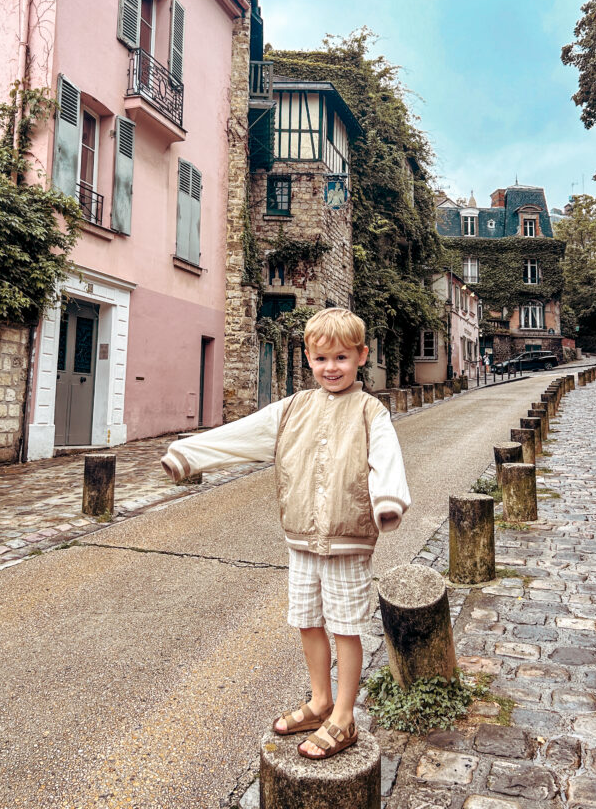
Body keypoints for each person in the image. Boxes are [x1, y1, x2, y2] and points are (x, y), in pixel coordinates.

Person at [161, 307, 410, 760]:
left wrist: (388, 501)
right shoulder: (292, 408)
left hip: (347, 540)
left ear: (361, 357)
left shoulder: (370, 411)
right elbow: (242, 435)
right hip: (300, 538)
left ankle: (344, 716)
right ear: (308, 359)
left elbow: (386, 460)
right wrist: (188, 455)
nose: (330, 368)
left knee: (347, 628)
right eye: (320, 359)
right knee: (308, 621)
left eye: (340, 358)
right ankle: (320, 701)